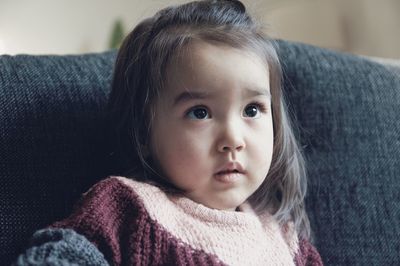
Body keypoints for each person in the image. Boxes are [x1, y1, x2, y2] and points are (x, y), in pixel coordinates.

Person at [15, 0, 323, 265]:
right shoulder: (126, 207)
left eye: (252, 110)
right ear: (145, 133)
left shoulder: (287, 242)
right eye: (199, 112)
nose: (233, 139)